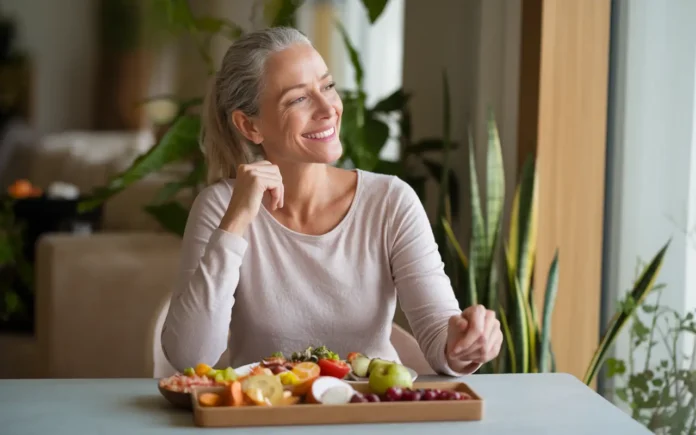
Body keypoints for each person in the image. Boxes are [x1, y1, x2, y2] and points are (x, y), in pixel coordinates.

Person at [160, 26, 502, 377]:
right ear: (249, 126)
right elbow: (189, 356)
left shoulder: (390, 202)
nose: (328, 109)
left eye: (327, 86)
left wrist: (465, 343)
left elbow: (439, 337)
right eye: (298, 99)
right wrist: (235, 225)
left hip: (370, 416)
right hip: (267, 420)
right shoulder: (221, 208)